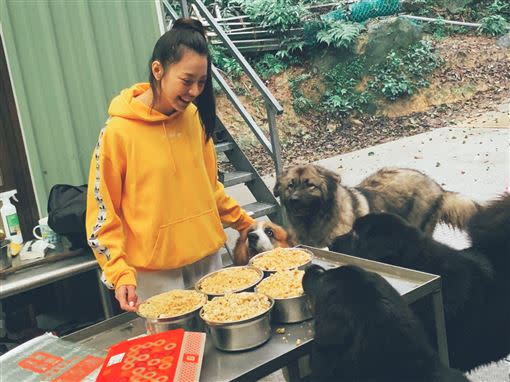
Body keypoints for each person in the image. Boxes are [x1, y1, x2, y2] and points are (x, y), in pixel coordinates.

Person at [86, 18, 255, 312]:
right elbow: (103, 214)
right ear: (158, 70)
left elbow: (209, 188)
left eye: (201, 82)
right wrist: (118, 271)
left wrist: (246, 224)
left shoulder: (194, 119)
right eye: (187, 80)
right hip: (156, 276)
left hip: (208, 262)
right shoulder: (118, 132)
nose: (194, 91)